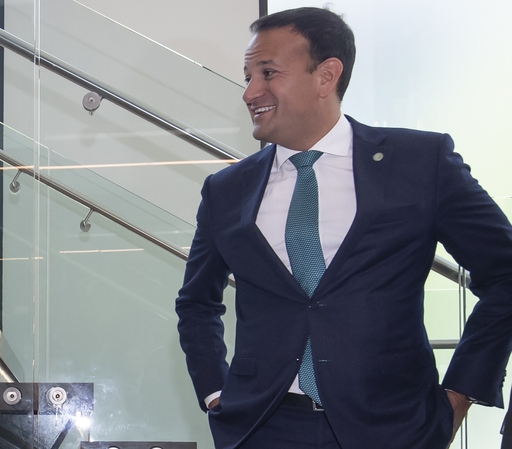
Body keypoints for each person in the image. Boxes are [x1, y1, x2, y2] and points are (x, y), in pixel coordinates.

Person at [175, 7, 512, 449]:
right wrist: (216, 393)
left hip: (396, 428)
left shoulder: (420, 162)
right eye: (247, 76)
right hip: (262, 428)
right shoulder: (226, 189)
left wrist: (461, 391)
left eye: (268, 72)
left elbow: (505, 274)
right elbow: (197, 302)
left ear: (326, 75)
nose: (250, 92)